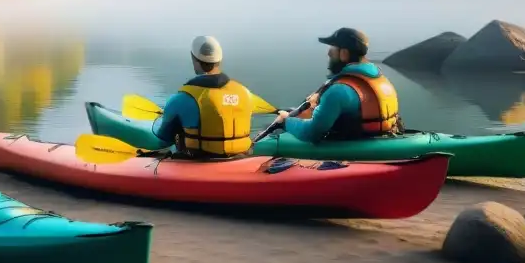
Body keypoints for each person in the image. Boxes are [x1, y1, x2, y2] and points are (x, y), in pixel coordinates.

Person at [273, 27, 402, 143]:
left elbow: (311, 133)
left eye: (332, 48)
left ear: (344, 53)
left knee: (283, 121)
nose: (328, 53)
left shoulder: (338, 90)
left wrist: (286, 121)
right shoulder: (380, 79)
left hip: (351, 149)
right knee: (294, 113)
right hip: (382, 136)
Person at [151, 36, 259, 158]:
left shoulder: (181, 99)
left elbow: (163, 139)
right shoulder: (245, 93)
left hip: (197, 164)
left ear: (194, 59)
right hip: (242, 160)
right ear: (220, 60)